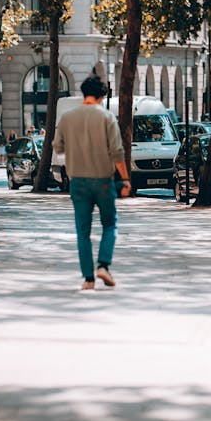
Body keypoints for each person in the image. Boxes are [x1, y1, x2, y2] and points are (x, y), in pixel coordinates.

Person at [53, 75, 131, 290]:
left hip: (77, 181)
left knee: (83, 231)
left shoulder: (67, 118)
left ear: (83, 92)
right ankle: (103, 265)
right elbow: (117, 152)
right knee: (109, 224)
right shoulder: (106, 117)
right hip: (103, 180)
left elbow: (57, 147)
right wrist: (124, 179)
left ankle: (88, 279)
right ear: (101, 95)